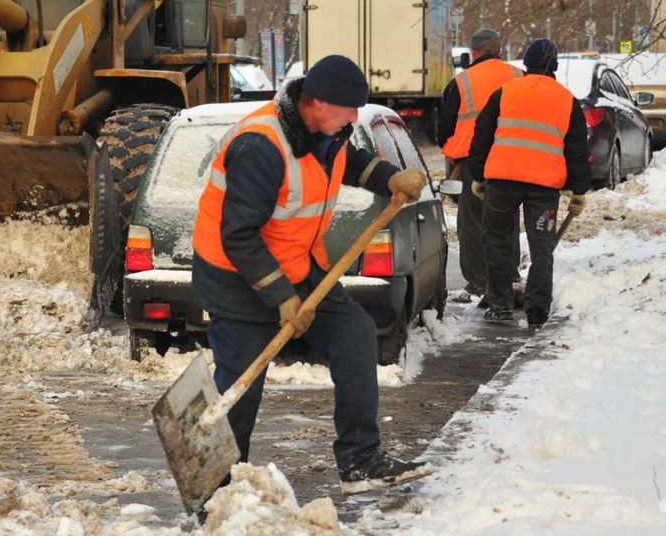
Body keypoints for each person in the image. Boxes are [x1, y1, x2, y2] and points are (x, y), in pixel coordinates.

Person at [191, 54, 432, 495]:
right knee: (243, 385)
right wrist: (281, 297)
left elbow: (350, 161)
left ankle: (361, 459)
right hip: (237, 279)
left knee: (354, 333)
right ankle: (220, 491)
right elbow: (239, 236)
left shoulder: (328, 131)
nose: (354, 119)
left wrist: (391, 178)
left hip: (297, 266)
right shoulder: (259, 145)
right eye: (347, 110)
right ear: (315, 102)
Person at [467, 39, 590, 326]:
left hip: (501, 184)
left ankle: (500, 306)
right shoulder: (567, 100)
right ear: (555, 66)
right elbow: (577, 151)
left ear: (526, 63)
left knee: (496, 242)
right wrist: (579, 191)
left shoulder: (505, 92)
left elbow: (481, 135)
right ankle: (537, 312)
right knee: (541, 248)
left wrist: (477, 175)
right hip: (544, 189)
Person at [438, 28, 523, 300]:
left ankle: (478, 280)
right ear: (499, 50)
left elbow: (444, 131)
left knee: (473, 222)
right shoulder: (518, 76)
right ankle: (508, 275)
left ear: (473, 52)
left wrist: (456, 151)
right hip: (510, 160)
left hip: (471, 163)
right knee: (505, 218)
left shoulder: (461, 82)